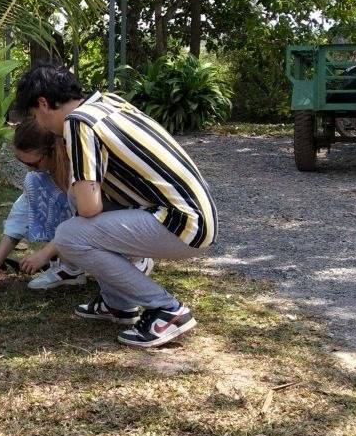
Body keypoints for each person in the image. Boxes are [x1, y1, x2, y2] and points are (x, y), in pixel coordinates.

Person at [12, 64, 218, 348]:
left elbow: (88, 207)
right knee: (76, 209)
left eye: (35, 115)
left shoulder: (78, 123)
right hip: (193, 216)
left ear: (44, 104)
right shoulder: (107, 102)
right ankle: (118, 303)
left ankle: (167, 310)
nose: (40, 124)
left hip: (181, 224)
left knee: (70, 236)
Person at [0, 122, 152, 293]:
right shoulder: (40, 179)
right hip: (86, 231)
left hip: (123, 224)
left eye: (33, 164)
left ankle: (135, 259)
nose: (30, 169)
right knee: (36, 187)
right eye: (23, 163)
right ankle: (70, 268)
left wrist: (45, 254)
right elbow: (18, 220)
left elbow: (88, 216)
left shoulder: (82, 168)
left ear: (53, 151)